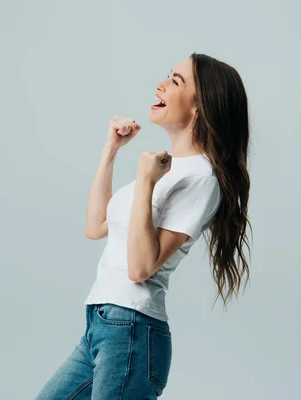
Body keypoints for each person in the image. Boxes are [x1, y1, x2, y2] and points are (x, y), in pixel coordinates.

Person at [35, 53, 252, 399]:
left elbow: (140, 268)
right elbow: (95, 225)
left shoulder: (200, 178)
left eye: (175, 81)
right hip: (100, 324)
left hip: (132, 330)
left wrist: (147, 182)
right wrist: (112, 149)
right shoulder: (163, 167)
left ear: (200, 108)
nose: (160, 85)